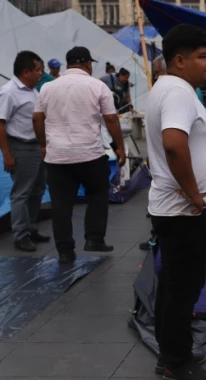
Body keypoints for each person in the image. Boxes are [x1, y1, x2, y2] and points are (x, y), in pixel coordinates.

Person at [145, 24, 206, 380]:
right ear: (180, 60)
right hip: (185, 210)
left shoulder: (170, 87)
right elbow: (175, 145)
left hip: (178, 209)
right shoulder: (178, 92)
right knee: (183, 288)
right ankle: (176, 363)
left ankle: (171, 353)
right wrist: (196, 195)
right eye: (202, 56)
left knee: (173, 285)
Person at [33, 46, 126, 265]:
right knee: (98, 194)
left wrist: (43, 144)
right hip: (89, 154)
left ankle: (65, 251)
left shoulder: (47, 87)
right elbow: (111, 119)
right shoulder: (97, 86)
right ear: (86, 64)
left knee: (61, 204)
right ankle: (94, 239)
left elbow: (37, 118)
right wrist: (119, 146)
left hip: (57, 157)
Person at [0, 51, 50, 252]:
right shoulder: (9, 92)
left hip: (36, 146)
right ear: (26, 71)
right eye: (37, 70)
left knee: (37, 190)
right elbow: (0, 124)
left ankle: (30, 228)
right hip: (21, 146)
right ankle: (20, 234)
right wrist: (7, 154)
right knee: (21, 192)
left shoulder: (32, 90)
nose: (41, 73)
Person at [139, 56, 169, 252]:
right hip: (163, 159)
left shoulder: (167, 92)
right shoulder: (184, 90)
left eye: (157, 73)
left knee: (163, 201)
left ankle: (157, 240)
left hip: (165, 162)